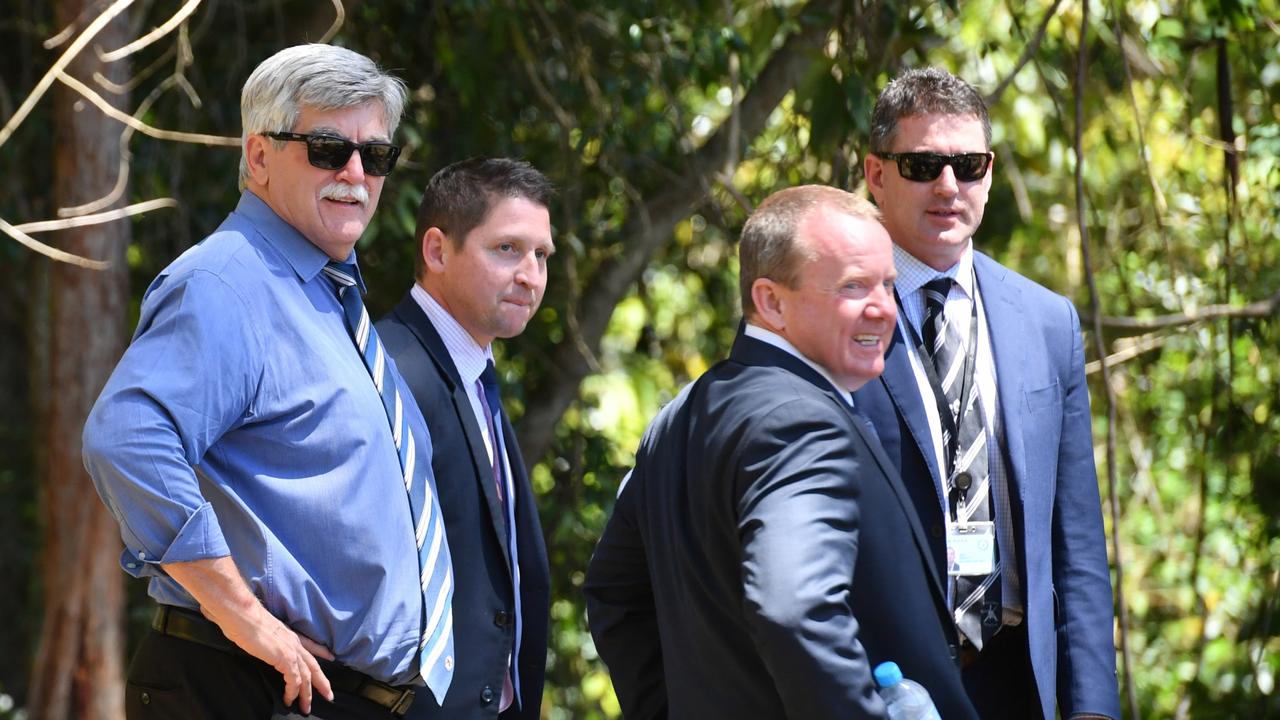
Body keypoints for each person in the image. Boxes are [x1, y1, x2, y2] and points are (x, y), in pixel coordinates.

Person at [83, 44, 454, 719]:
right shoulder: (227, 281)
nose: (354, 173)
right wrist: (247, 620)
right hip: (249, 688)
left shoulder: (324, 294)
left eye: (375, 157)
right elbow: (127, 440)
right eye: (326, 148)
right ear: (258, 157)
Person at [584, 186, 979, 720]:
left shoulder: (681, 414)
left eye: (888, 284)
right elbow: (795, 608)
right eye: (853, 286)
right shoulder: (800, 421)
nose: (884, 309)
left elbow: (615, 595)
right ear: (771, 301)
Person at [855, 66, 1121, 720]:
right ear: (876, 174)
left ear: (990, 173)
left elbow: (1076, 542)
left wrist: (1091, 706)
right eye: (923, 165)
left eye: (968, 165)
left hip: (1018, 678)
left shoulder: (1047, 320)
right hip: (886, 684)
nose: (949, 186)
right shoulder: (835, 317)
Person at [375, 158, 554, 719]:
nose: (530, 274)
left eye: (541, 255)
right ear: (436, 251)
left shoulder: (475, 372)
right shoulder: (388, 369)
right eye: (507, 249)